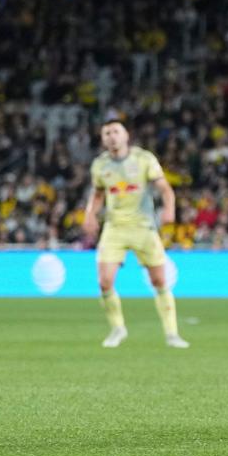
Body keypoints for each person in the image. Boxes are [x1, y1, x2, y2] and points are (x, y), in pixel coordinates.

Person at [83, 119, 189, 349]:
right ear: (103, 139)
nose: (112, 136)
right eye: (107, 133)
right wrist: (90, 214)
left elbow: (165, 188)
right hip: (115, 227)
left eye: (116, 131)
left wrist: (169, 209)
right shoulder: (100, 165)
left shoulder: (143, 159)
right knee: (105, 281)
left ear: (126, 135)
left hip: (144, 227)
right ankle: (118, 328)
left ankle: (172, 333)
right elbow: (98, 194)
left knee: (159, 280)